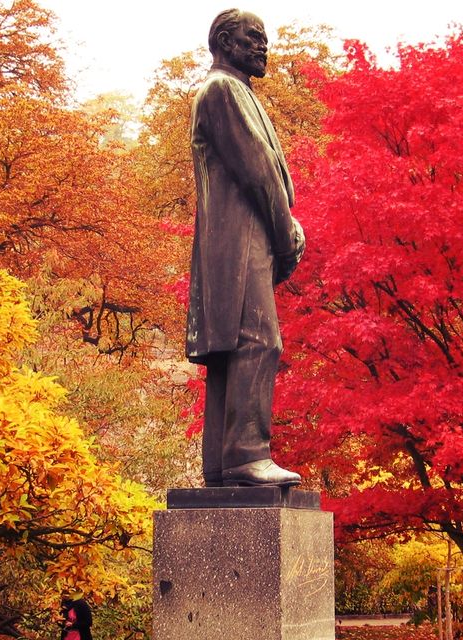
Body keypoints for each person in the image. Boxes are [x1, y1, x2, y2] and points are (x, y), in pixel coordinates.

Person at [186, 8, 305, 488]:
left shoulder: (237, 92)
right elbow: (258, 171)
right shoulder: (221, 91)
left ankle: (222, 464)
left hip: (239, 237)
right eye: (253, 38)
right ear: (224, 41)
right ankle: (245, 455)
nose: (263, 46)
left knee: (234, 348)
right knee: (259, 340)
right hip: (238, 239)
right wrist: (286, 232)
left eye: (264, 38)